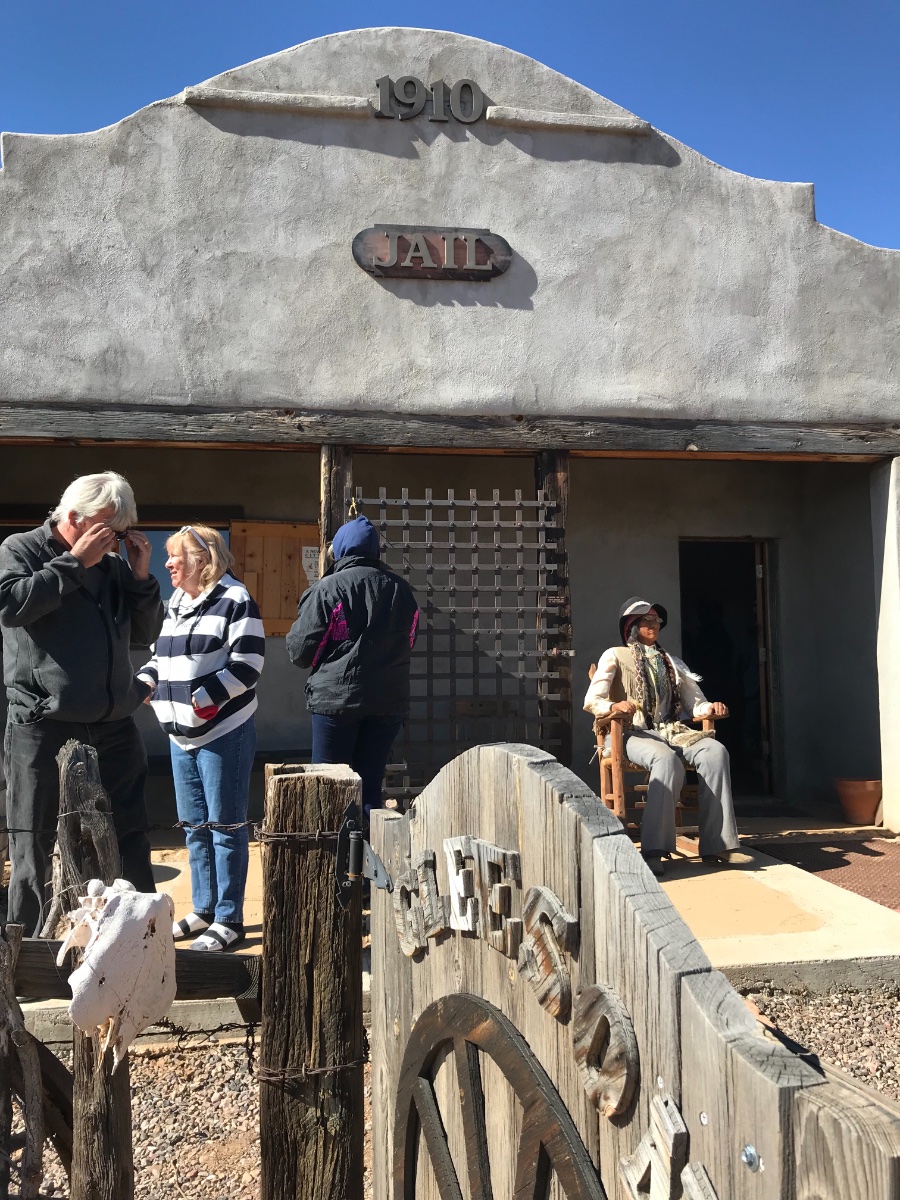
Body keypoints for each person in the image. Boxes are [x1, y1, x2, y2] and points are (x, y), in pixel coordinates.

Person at [0, 471, 164, 936]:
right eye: (108, 530)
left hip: (114, 724)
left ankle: (140, 939)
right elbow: (10, 606)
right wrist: (73, 563)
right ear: (73, 517)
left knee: (130, 833)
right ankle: (26, 950)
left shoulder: (113, 567)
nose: (114, 542)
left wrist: (140, 576)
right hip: (43, 723)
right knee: (32, 841)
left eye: (122, 533)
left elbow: (145, 634)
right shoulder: (21, 549)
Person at [138, 526, 264, 951]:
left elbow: (248, 664)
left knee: (225, 827)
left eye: (176, 556)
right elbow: (159, 657)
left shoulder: (236, 598)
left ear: (202, 560)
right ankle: (204, 909)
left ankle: (229, 918)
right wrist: (144, 682)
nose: (168, 563)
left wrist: (205, 697)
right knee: (193, 827)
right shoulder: (176, 601)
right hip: (179, 737)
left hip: (223, 733)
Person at [583, 596, 740, 878]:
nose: (653, 624)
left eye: (656, 620)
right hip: (630, 733)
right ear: (631, 625)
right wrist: (614, 706)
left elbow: (695, 704)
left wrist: (710, 708)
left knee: (715, 752)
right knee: (665, 759)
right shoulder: (615, 655)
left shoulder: (672, 662)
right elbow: (592, 700)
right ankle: (655, 849)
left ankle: (717, 843)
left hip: (671, 731)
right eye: (646, 620)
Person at [286, 515, 418, 821]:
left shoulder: (327, 589)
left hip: (336, 702)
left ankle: (335, 850)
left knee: (329, 787)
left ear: (341, 549)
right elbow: (409, 640)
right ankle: (368, 847)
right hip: (388, 701)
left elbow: (301, 652)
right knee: (370, 787)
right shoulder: (402, 591)